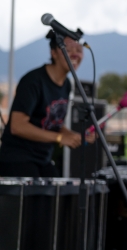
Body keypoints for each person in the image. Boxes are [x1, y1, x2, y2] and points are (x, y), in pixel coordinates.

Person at [0, 31, 91, 177]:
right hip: (18, 160)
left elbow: (53, 122)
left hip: (43, 160)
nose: (75, 54)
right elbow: (17, 126)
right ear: (53, 52)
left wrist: (75, 136)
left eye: (79, 50)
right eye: (68, 49)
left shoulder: (66, 84)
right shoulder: (33, 81)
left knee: (60, 194)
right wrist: (60, 138)